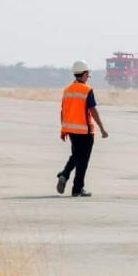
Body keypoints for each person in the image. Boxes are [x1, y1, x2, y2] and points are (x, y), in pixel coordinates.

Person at [57, 60, 108, 197]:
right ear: (84, 74)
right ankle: (74, 185)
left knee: (76, 155)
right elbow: (93, 110)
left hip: (71, 130)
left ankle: (66, 176)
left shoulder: (67, 90)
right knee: (82, 159)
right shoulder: (87, 90)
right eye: (88, 75)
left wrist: (63, 129)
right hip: (85, 130)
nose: (88, 77)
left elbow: (63, 111)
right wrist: (102, 128)